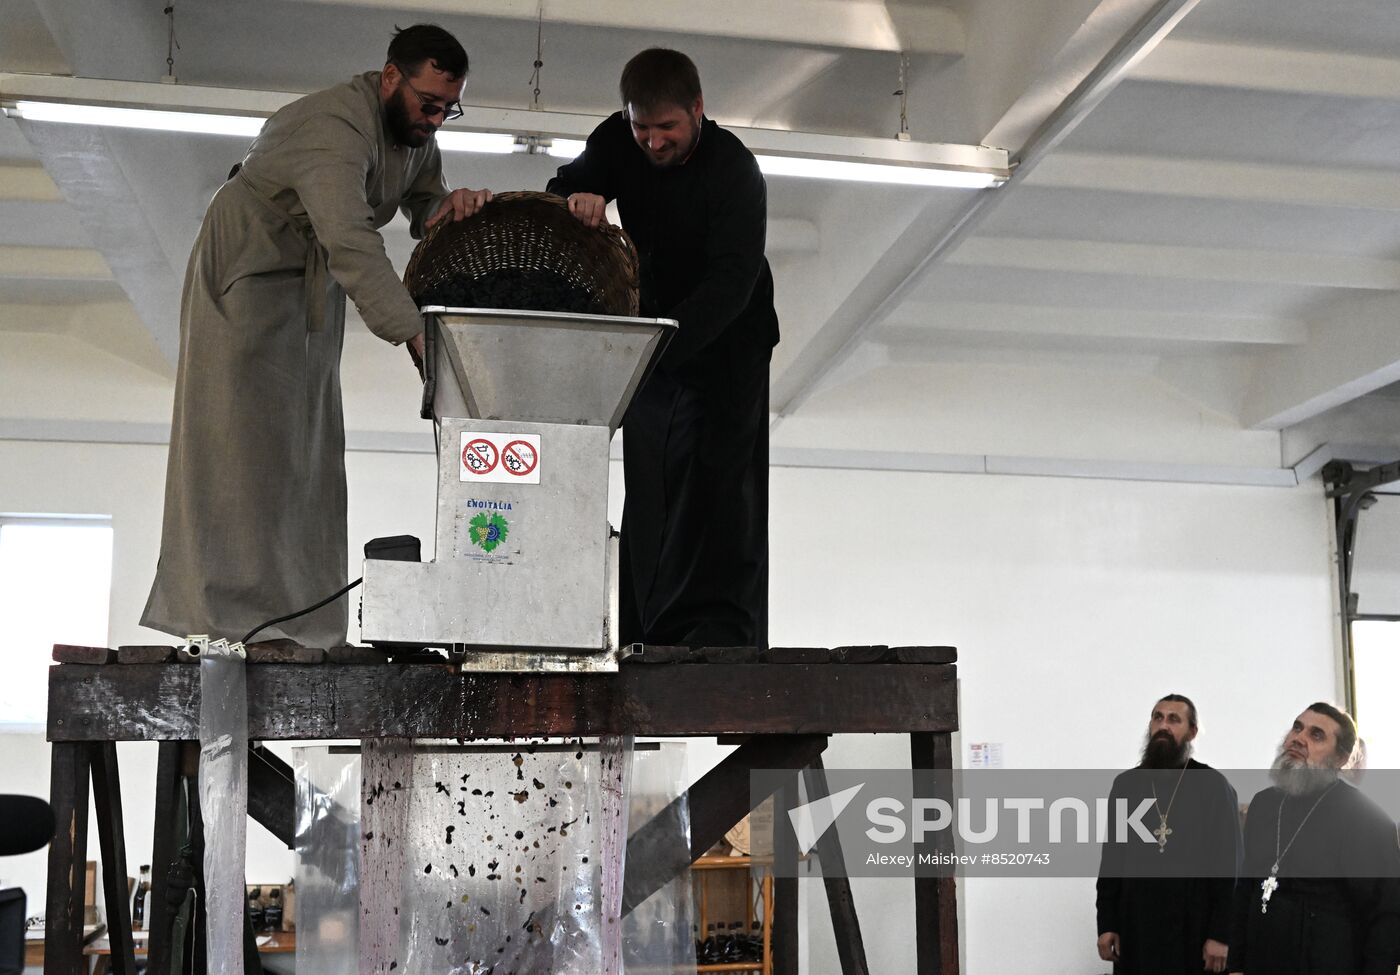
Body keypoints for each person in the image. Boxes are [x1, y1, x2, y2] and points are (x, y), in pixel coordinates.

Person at [141, 25, 491, 648]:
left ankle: (299, 624)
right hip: (248, 274)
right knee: (237, 445)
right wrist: (417, 336)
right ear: (391, 78)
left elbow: (423, 202)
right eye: (429, 104)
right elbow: (353, 242)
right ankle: (227, 620)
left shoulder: (411, 134)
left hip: (308, 286)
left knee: (308, 450)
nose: (436, 120)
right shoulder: (334, 129)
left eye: (448, 107)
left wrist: (450, 207)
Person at [547, 48, 778, 648]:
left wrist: (664, 350)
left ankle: (720, 630)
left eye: (667, 128)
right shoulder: (616, 141)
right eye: (641, 128)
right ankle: (646, 624)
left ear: (698, 110)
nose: (652, 142)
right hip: (652, 330)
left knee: (716, 472)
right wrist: (580, 201)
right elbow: (560, 190)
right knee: (650, 475)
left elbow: (732, 281)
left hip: (730, 334)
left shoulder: (734, 171)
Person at [1228, 703, 1400, 975]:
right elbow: (1246, 890)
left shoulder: (1367, 820)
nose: (1298, 737)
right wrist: (1235, 965)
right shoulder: (1264, 804)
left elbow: (1386, 918)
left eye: (1316, 735)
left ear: (1340, 758)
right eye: (1297, 727)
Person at [1096, 694, 1240, 974]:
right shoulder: (1126, 785)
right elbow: (1112, 860)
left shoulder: (1213, 786)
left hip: (1193, 930)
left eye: (1174, 719)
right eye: (1157, 717)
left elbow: (1230, 866)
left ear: (1192, 731)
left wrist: (1221, 934)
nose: (1163, 725)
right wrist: (1107, 923)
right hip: (1136, 926)